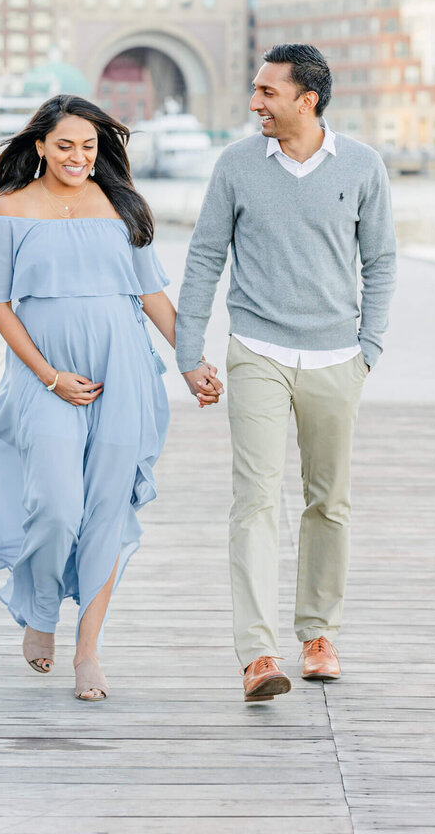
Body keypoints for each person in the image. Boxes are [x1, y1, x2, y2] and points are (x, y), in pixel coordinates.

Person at [0, 94, 222, 701]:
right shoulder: (10, 211)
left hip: (123, 371)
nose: (78, 157)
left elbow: (151, 296)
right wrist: (49, 376)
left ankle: (88, 651)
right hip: (46, 375)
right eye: (66, 145)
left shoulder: (123, 207)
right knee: (54, 505)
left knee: (105, 508)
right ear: (40, 145)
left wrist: (191, 364)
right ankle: (41, 609)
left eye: (90, 146)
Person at [175, 45, 396, 701]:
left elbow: (380, 261)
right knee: (255, 501)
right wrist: (190, 350)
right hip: (259, 353)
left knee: (328, 502)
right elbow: (204, 257)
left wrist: (369, 348)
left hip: (337, 360)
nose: (254, 103)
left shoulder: (362, 166)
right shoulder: (238, 165)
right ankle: (258, 653)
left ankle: (318, 634)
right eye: (255, 89)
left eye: (268, 93)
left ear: (308, 99)